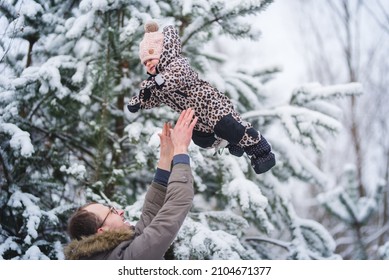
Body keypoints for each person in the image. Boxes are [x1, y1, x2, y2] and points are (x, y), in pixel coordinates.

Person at [127, 21, 276, 174]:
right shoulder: (156, 83)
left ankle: (261, 150)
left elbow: (175, 78)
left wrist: (155, 84)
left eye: (151, 57)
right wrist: (140, 101)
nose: (148, 64)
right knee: (201, 139)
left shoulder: (176, 64)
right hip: (195, 116)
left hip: (209, 103)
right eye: (145, 62)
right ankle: (229, 143)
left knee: (228, 126)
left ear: (162, 53)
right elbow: (154, 98)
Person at [64, 109, 198, 260]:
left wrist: (166, 158)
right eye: (112, 212)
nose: (120, 211)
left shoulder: (112, 253)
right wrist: (181, 149)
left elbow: (149, 221)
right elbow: (172, 212)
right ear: (102, 231)